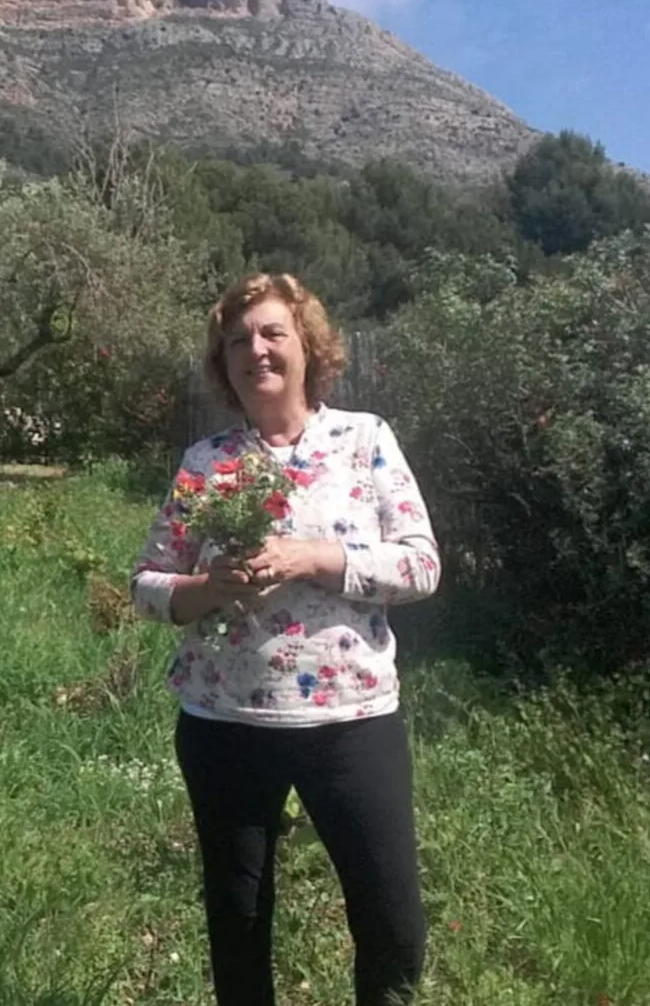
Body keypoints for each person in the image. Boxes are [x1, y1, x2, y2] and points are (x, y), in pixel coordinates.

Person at [131, 272, 440, 1006]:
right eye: (238, 340)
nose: (255, 350)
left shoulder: (364, 440)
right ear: (223, 362)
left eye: (273, 333)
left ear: (308, 347)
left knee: (393, 919)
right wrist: (208, 590)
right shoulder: (206, 463)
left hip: (351, 722)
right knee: (238, 922)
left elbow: (422, 565)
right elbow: (146, 583)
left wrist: (317, 558)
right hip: (225, 725)